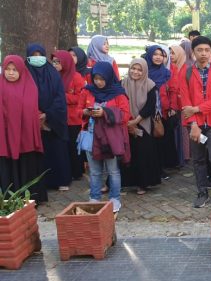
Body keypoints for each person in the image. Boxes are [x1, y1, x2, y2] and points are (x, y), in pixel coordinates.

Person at [179, 36, 211, 208]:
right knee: (199, 159)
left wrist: (197, 109)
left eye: (207, 50)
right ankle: (202, 192)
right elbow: (185, 101)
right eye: (199, 50)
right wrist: (193, 123)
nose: (203, 53)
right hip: (195, 125)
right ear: (193, 52)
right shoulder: (186, 73)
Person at [80, 61, 130, 213]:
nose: (98, 82)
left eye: (102, 79)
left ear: (109, 77)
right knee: (94, 171)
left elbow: (125, 115)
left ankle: (115, 198)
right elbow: (77, 111)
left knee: (113, 170)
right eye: (96, 78)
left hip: (110, 138)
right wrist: (85, 112)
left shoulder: (118, 93)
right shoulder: (87, 91)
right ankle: (94, 197)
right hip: (91, 136)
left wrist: (105, 113)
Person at [0, 55, 47, 202]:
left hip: (24, 136)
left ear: (21, 70)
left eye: (14, 70)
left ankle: (30, 199)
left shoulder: (29, 85)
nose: (11, 73)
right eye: (7, 69)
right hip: (5, 135)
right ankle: (10, 199)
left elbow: (30, 109)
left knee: (26, 164)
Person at [26, 43, 71, 192]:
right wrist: (35, 113)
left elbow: (59, 97)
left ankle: (60, 180)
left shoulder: (52, 73)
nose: (37, 58)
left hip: (53, 121)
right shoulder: (25, 73)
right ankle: (41, 183)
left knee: (56, 149)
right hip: (32, 119)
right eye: (34, 55)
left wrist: (48, 114)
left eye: (40, 55)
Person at [121, 58, 161, 195]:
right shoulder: (123, 83)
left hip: (143, 123)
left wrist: (136, 121)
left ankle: (143, 184)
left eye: (139, 70)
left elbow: (150, 107)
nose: (135, 72)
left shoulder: (150, 85)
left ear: (144, 71)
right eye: (133, 68)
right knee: (127, 153)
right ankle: (125, 181)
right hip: (126, 122)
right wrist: (129, 121)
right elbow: (121, 102)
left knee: (143, 154)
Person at [51, 50, 86, 181]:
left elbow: (80, 98)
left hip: (73, 119)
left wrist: (62, 96)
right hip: (59, 118)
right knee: (62, 147)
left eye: (57, 61)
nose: (55, 64)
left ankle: (77, 172)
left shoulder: (76, 77)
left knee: (73, 147)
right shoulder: (54, 76)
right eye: (53, 61)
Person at [145, 46, 179, 173]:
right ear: (149, 55)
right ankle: (154, 168)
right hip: (147, 111)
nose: (158, 57)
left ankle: (163, 167)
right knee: (150, 141)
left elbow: (173, 91)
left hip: (164, 111)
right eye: (155, 54)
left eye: (161, 55)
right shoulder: (144, 72)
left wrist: (172, 107)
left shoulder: (166, 73)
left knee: (162, 137)